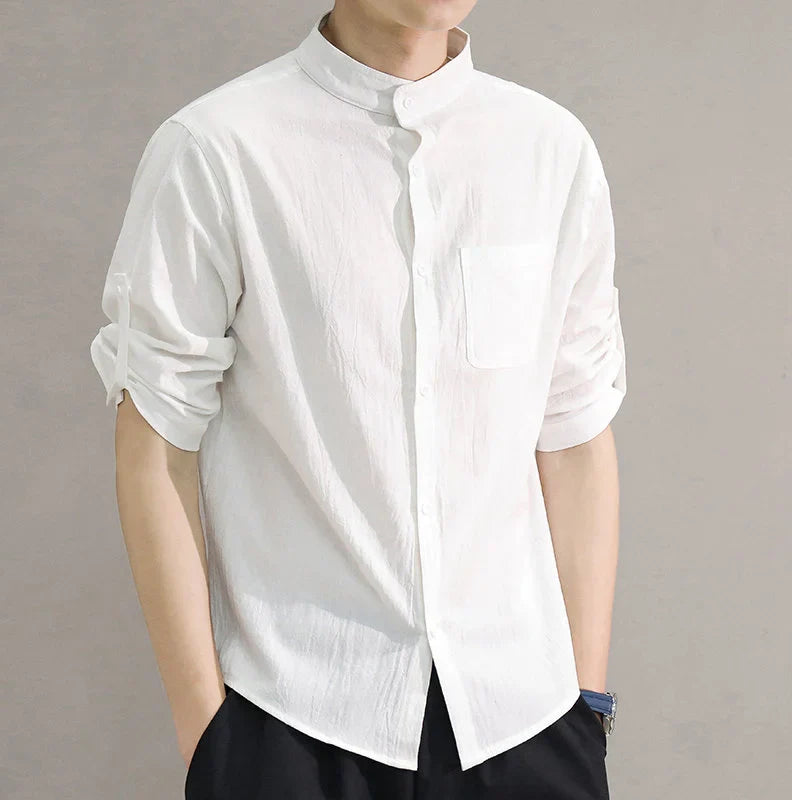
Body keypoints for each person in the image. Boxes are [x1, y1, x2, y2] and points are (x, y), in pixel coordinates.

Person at [89, 1, 626, 797]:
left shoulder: (549, 151)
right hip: (294, 722)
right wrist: (210, 736)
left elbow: (574, 433)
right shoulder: (218, 149)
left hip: (527, 719)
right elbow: (155, 442)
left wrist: (585, 702)